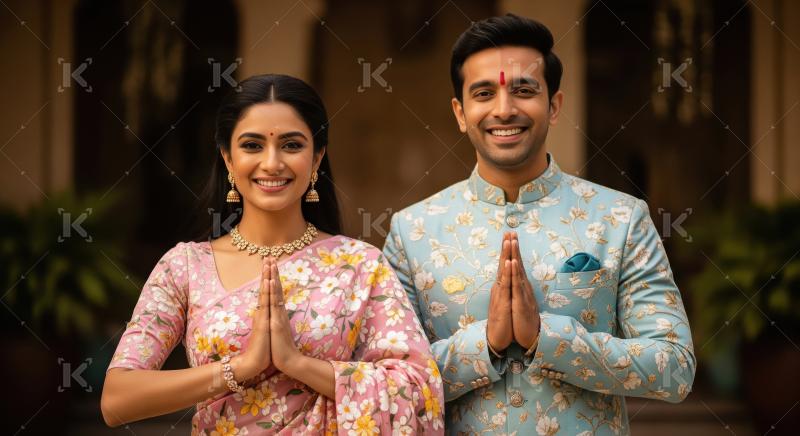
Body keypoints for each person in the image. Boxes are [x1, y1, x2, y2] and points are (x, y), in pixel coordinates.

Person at [383, 14, 695, 435]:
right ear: (461, 112)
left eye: (524, 90)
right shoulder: (412, 231)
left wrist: (548, 339)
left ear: (554, 105)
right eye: (483, 93)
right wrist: (484, 346)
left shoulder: (620, 218)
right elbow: (386, 385)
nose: (504, 109)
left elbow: (674, 368)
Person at [101, 74, 444, 435]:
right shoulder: (185, 266)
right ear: (228, 159)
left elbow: (418, 391)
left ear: (317, 158)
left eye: (291, 145)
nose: (272, 163)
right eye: (252, 145)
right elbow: (117, 400)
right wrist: (240, 369)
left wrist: (297, 363)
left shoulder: (360, 264)